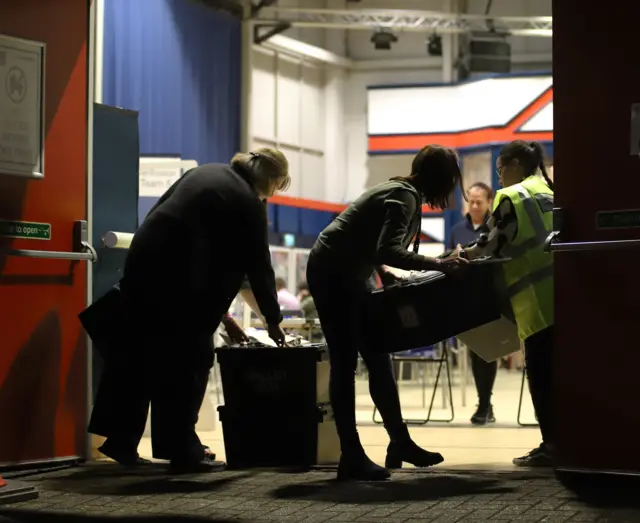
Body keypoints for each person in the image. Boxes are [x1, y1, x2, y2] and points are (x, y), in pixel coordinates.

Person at [88, 148, 290, 474]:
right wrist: (274, 321)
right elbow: (259, 269)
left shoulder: (205, 172)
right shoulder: (248, 203)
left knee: (141, 354)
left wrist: (226, 319)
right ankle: (182, 451)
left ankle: (122, 441)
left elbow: (162, 215)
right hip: (178, 281)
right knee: (192, 360)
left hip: (143, 265)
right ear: (271, 180)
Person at [306, 144, 468, 481]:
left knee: (378, 354)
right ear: (440, 178)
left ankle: (400, 442)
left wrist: (383, 272)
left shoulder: (403, 192)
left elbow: (368, 241)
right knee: (345, 361)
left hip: (347, 270)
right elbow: (388, 248)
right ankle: (351, 455)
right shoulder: (404, 196)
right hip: (333, 273)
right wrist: (440, 264)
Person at [451, 140, 554, 467]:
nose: (499, 179)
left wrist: (460, 255)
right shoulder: (550, 192)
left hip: (537, 304)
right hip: (566, 297)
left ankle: (552, 446)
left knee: (543, 378)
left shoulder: (514, 196)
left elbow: (493, 244)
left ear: (516, 166)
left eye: (500, 170)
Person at [449, 182, 500, 425]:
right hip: (466, 296)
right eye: (471, 201)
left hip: (491, 295)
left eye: (480, 201)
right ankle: (483, 403)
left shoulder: (497, 227)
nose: (475, 205)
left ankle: (485, 402)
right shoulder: (457, 230)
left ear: (489, 202)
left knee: (489, 352)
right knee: (474, 351)